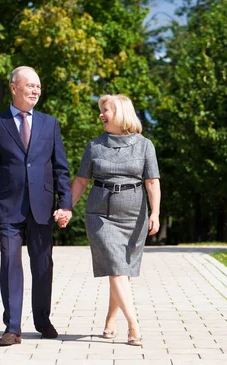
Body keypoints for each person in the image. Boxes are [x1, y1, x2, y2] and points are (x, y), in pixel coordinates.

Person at [0, 66, 73, 346]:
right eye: (30, 85)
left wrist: (64, 203)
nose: (35, 91)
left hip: (42, 206)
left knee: (42, 264)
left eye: (38, 87)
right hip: (7, 206)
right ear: (13, 87)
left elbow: (61, 169)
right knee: (9, 262)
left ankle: (42, 320)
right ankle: (12, 327)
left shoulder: (49, 124)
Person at [56, 94, 161, 346]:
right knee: (115, 267)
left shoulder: (145, 145)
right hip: (100, 215)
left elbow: (152, 182)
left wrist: (155, 213)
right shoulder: (95, 146)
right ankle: (134, 325)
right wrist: (67, 207)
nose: (101, 115)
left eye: (106, 110)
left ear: (122, 113)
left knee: (121, 270)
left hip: (134, 216)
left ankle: (110, 319)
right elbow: (81, 181)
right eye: (100, 110)